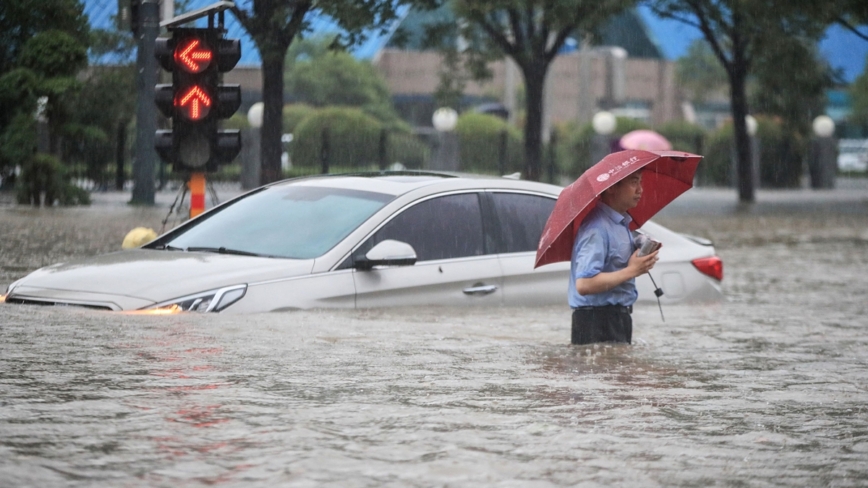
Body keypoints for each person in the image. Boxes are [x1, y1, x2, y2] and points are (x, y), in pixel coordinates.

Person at [569, 170, 659, 345]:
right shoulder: (596, 228)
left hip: (618, 317)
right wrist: (632, 270)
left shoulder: (621, 223)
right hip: (596, 321)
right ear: (611, 188)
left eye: (640, 182)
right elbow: (584, 284)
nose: (640, 189)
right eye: (634, 182)